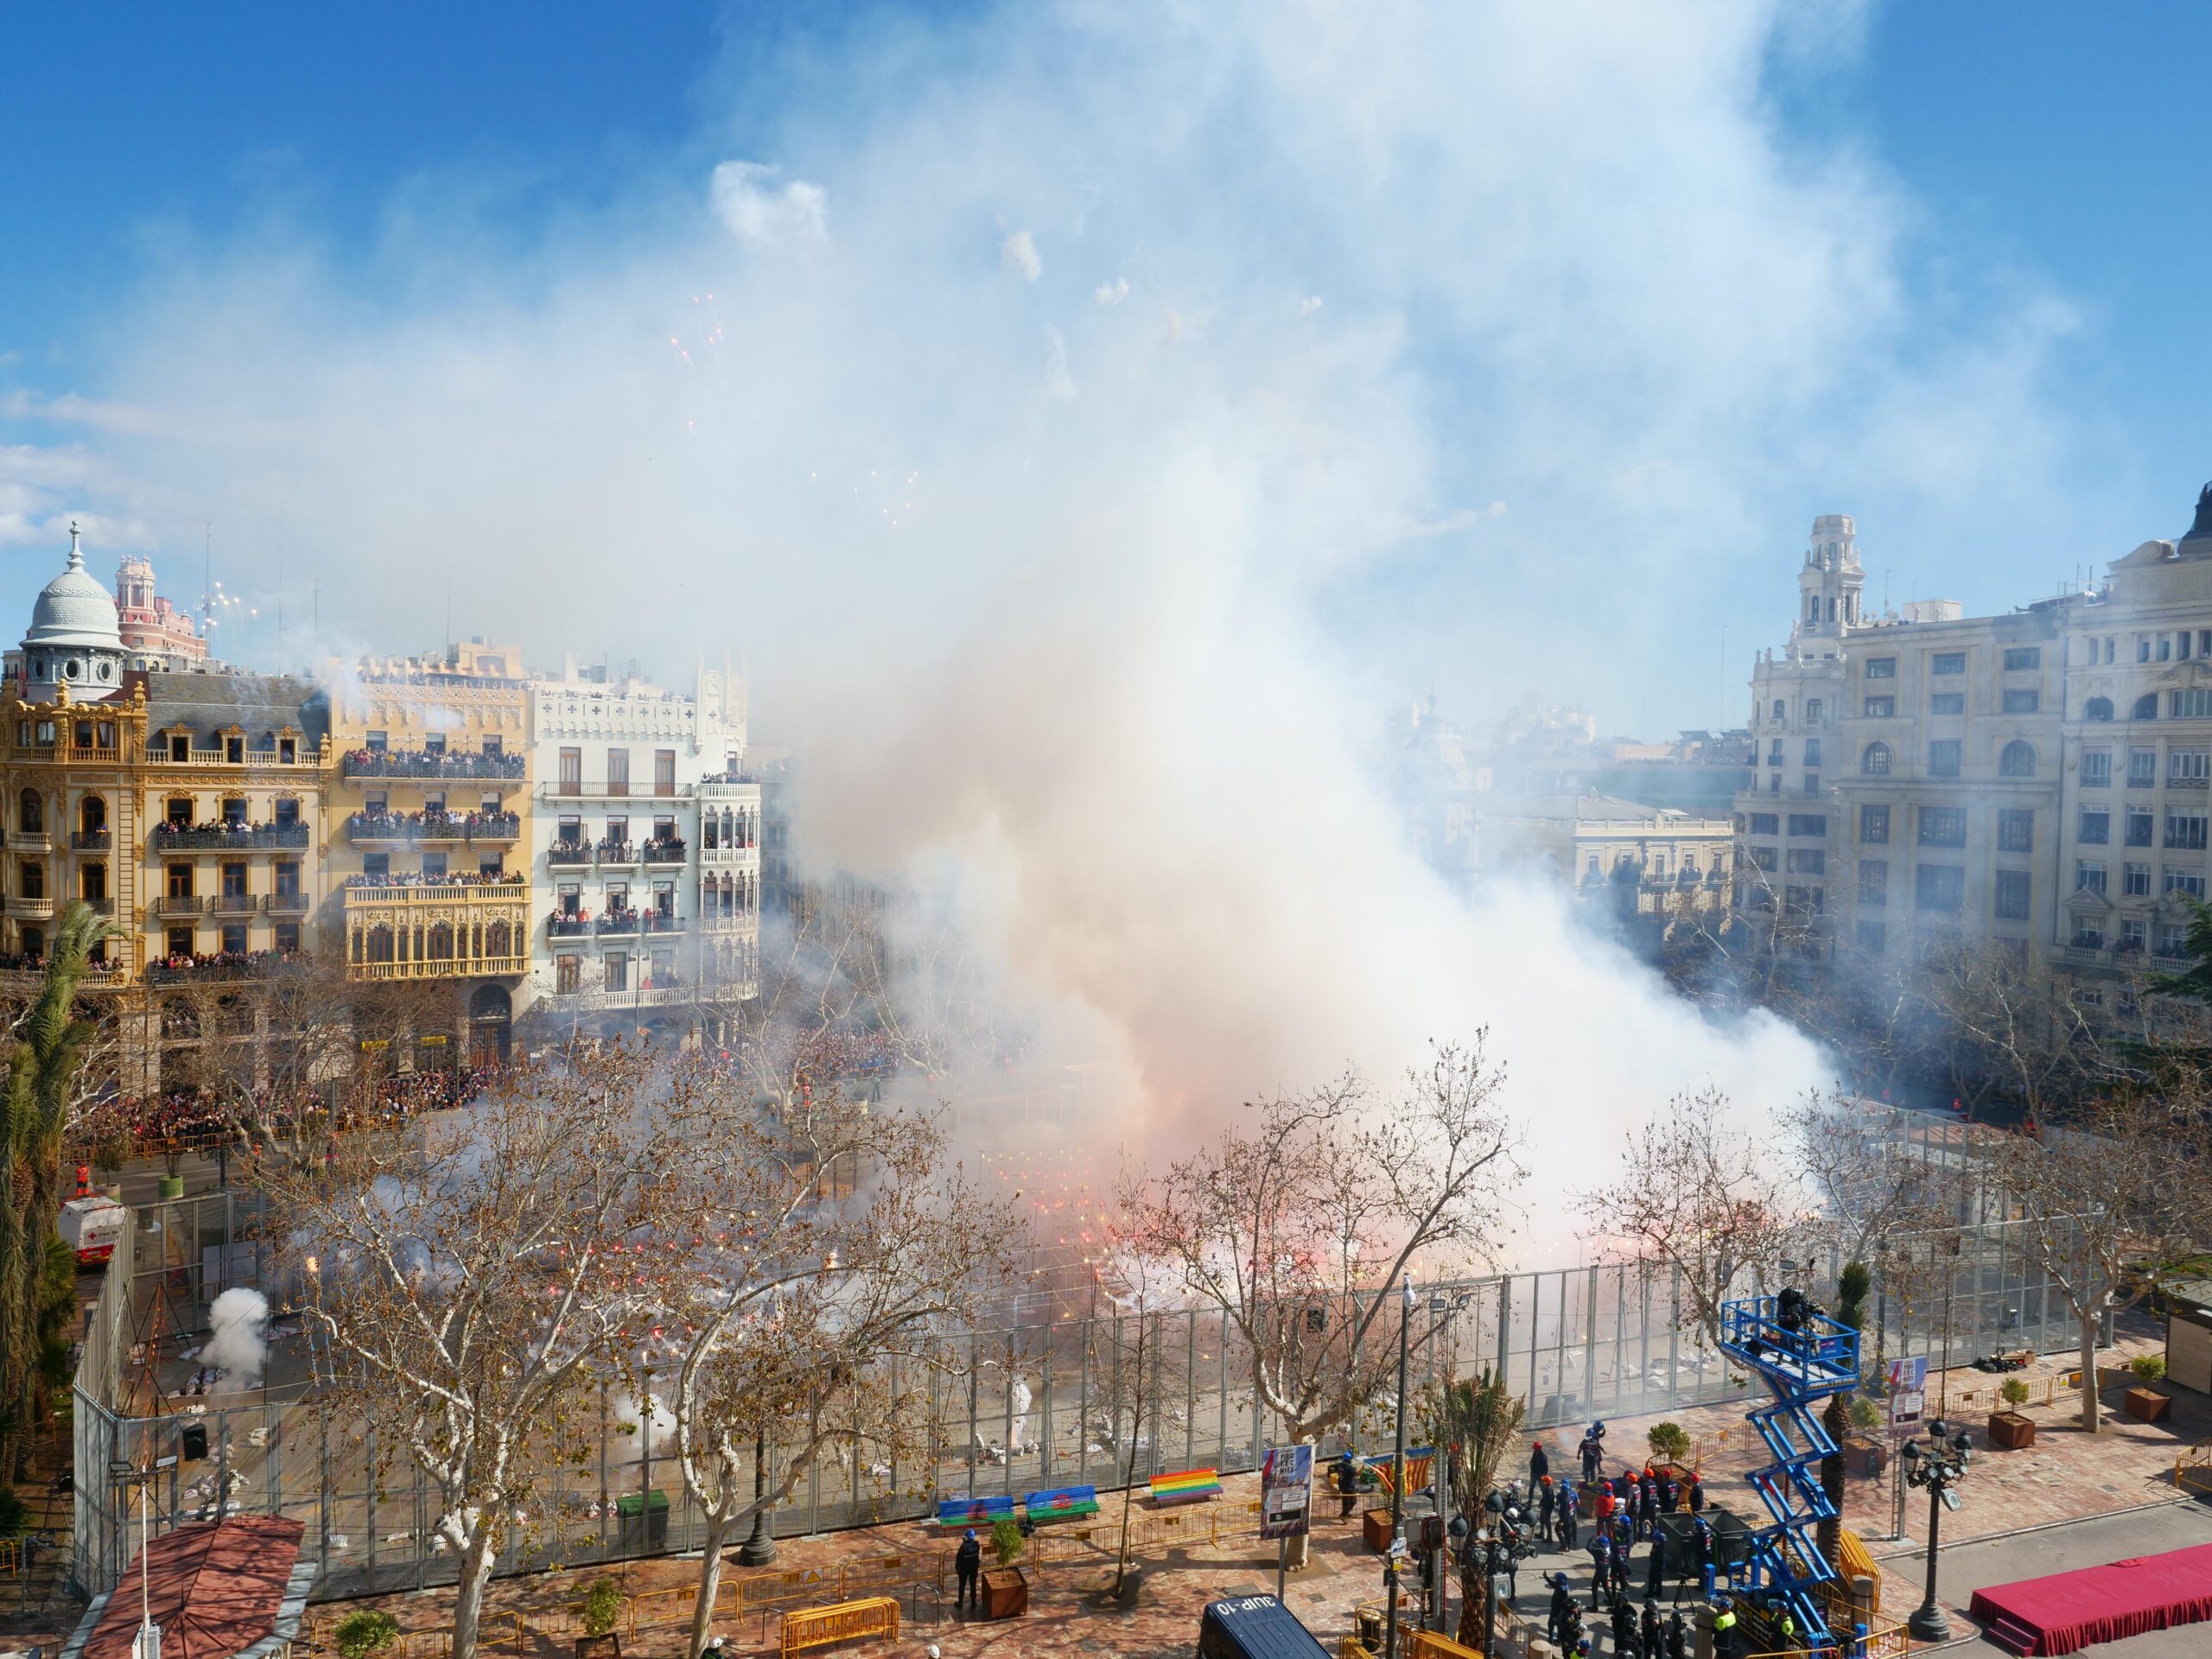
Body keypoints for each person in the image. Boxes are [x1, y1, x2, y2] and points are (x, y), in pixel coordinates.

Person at [955, 1528, 982, 1611]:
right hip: (973, 1568)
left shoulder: (963, 1547)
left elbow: (959, 1557)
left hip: (964, 1569)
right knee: (973, 1585)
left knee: (962, 1586)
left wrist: (957, 1568)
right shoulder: (977, 1544)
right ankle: (973, 1602)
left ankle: (960, 1603)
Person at [1547, 1573, 1574, 1649]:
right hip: (1557, 1612)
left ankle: (1553, 1640)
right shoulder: (1560, 1587)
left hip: (1557, 1612)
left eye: (1556, 1580)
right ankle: (1557, 1640)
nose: (1555, 1581)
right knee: (1558, 1626)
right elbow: (1553, 1584)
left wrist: (1555, 1616)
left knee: (1552, 1625)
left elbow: (1559, 1605)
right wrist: (1546, 1577)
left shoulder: (1561, 1593)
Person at [1334, 1451, 1360, 1520]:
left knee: (1345, 1502)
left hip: (1342, 1486)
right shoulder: (1350, 1469)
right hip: (1349, 1488)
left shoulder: (1339, 1465)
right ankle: (1343, 1515)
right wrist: (1362, 1469)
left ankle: (1345, 1513)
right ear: (1349, 1459)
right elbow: (1357, 1474)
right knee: (1353, 1501)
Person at [1558, 1477, 1580, 1548]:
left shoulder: (1561, 1495)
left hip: (1566, 1514)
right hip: (1573, 1512)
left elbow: (1557, 1504)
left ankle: (1567, 1542)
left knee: (1566, 1528)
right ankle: (1574, 1539)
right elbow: (1579, 1503)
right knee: (1574, 1525)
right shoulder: (1574, 1493)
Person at [1536, 1473, 1555, 1541]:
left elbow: (1548, 1501)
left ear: (1546, 1483)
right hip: (1544, 1506)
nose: (1542, 1482)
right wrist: (1541, 1503)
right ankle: (1542, 1533)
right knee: (1541, 1519)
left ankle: (1549, 1537)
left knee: (1547, 1522)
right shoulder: (1547, 1488)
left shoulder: (1548, 1490)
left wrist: (1546, 1511)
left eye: (1543, 1481)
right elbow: (1544, 1498)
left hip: (1547, 1508)